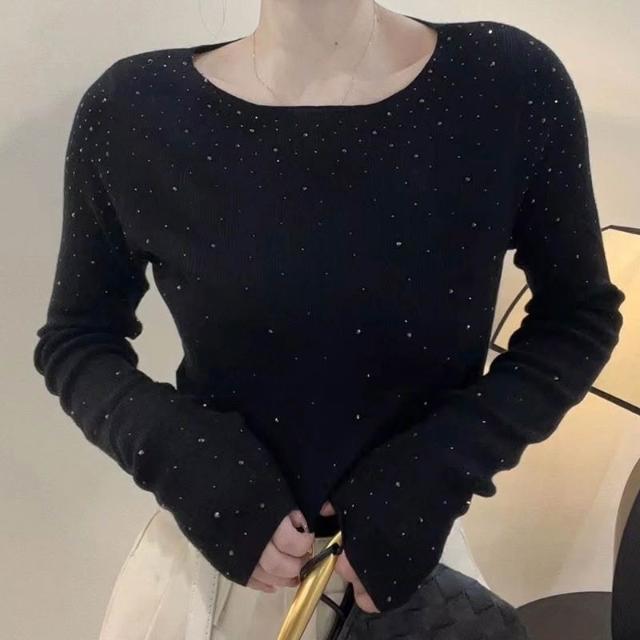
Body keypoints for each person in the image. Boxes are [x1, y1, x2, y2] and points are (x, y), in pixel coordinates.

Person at [33, 1, 625, 638]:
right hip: (207, 588)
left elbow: (577, 315)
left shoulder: (506, 86)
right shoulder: (134, 110)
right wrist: (191, 463)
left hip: (408, 587)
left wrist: (437, 470)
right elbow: (77, 339)